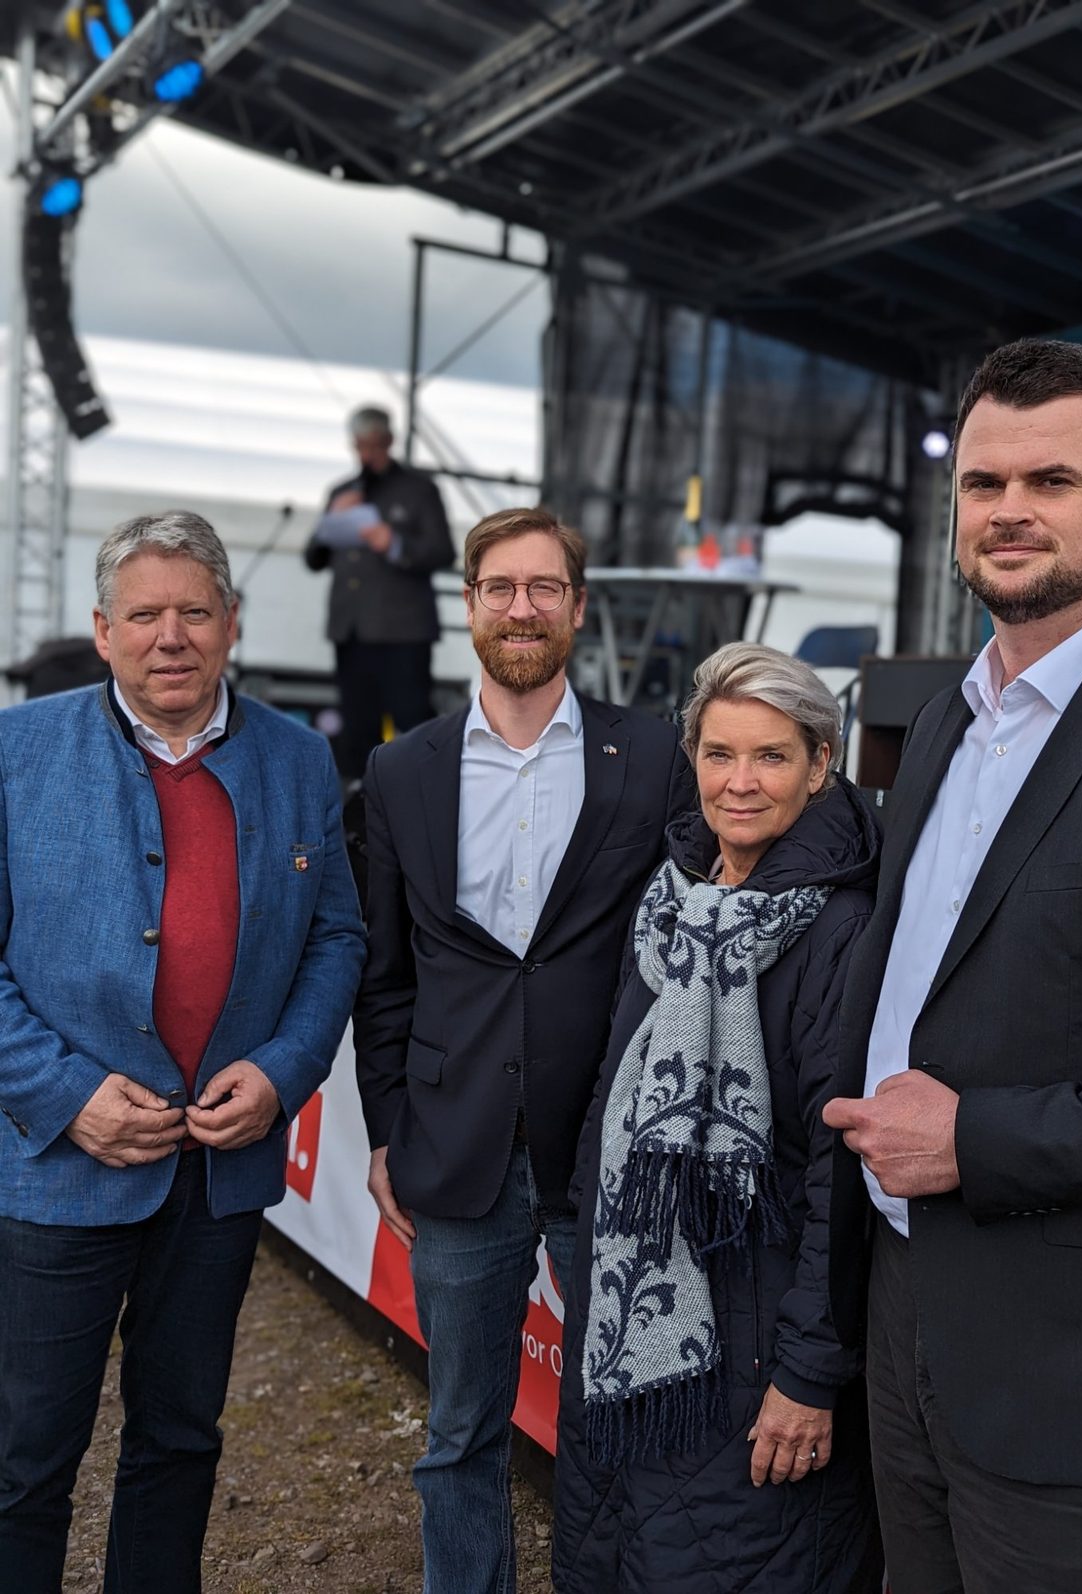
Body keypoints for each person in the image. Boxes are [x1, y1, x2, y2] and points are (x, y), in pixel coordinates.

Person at [824, 338, 1082, 1594]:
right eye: (985, 483)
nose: (1011, 510)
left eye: (1052, 480)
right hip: (905, 1327)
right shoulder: (944, 722)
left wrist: (974, 1142)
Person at [0, 511, 366, 1594]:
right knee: (25, 1455)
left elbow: (337, 936)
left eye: (195, 612)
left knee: (180, 1439)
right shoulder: (16, 752)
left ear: (232, 622)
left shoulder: (299, 759)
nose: (172, 636)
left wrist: (285, 1069)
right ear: (102, 630)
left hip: (217, 1174)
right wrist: (68, 1095)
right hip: (58, 1169)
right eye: (146, 614)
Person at [354, 506, 691, 1594]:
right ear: (468, 605)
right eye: (500, 587)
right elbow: (386, 974)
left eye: (545, 588)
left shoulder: (654, 753)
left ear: (578, 608)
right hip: (458, 1148)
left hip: (609, 1144)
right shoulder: (401, 771)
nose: (522, 608)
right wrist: (386, 1131)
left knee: (620, 1421)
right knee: (459, 1432)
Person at [554, 642, 884, 1594]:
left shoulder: (840, 929)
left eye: (772, 756)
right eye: (719, 754)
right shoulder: (673, 899)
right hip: (632, 1314)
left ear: (821, 765)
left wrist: (808, 1373)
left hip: (757, 1345)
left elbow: (840, 1176)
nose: (740, 782)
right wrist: (585, 1245)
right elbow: (612, 1097)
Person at [305, 404, 455, 778]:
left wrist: (395, 544)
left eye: (374, 444)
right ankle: (360, 799)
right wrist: (331, 519)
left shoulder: (419, 490)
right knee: (356, 724)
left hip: (402, 630)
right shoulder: (343, 491)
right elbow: (314, 558)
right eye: (360, 445)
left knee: (412, 718)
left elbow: (443, 552)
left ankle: (426, 792)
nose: (367, 454)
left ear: (389, 441)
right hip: (352, 628)